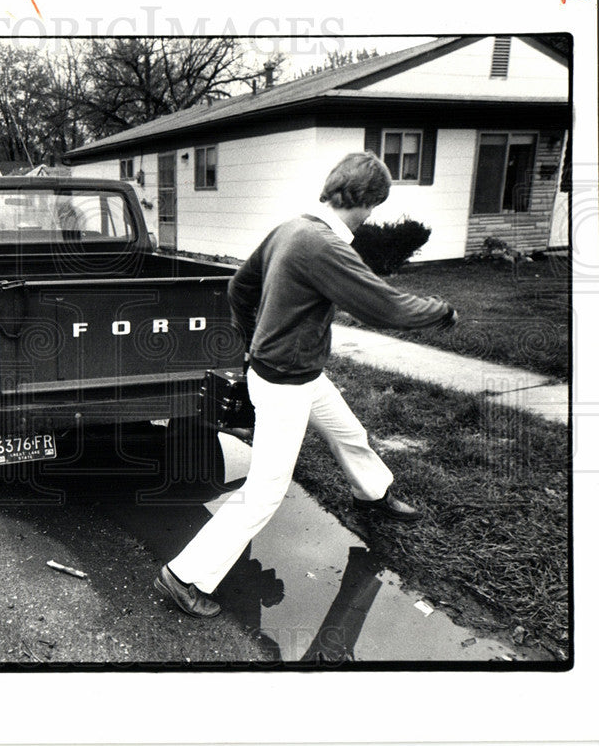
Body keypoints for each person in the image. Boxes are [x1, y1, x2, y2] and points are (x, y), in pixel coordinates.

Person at [155, 151, 457, 618]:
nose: (372, 216)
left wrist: (251, 335)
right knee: (265, 491)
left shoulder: (291, 228)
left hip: (298, 373)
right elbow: (384, 306)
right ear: (366, 202)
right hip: (285, 384)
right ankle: (185, 575)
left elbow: (239, 288)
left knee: (349, 434)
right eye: (374, 206)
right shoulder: (324, 245)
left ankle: (371, 493)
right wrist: (441, 311)